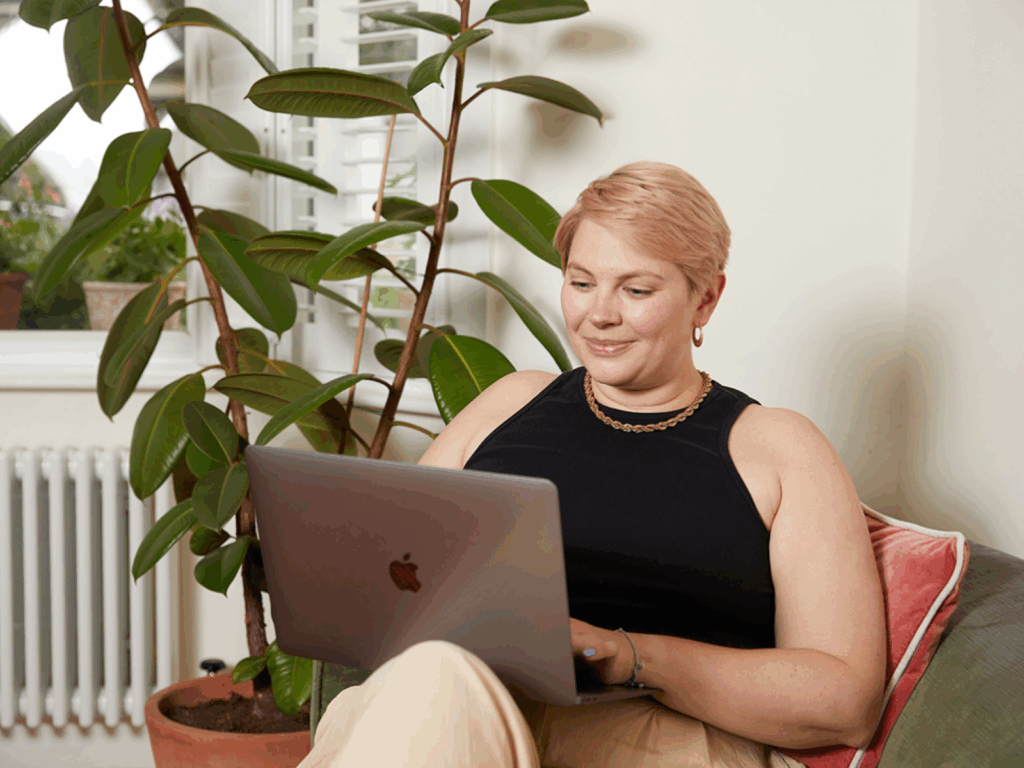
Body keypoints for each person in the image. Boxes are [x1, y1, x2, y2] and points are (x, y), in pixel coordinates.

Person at [301, 162, 886, 768]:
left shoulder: (776, 447)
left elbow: (845, 700)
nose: (599, 315)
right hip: (458, 705)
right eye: (581, 284)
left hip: (654, 737)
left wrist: (623, 654)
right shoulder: (511, 400)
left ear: (706, 297)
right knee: (433, 677)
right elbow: (392, 568)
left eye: (636, 291)